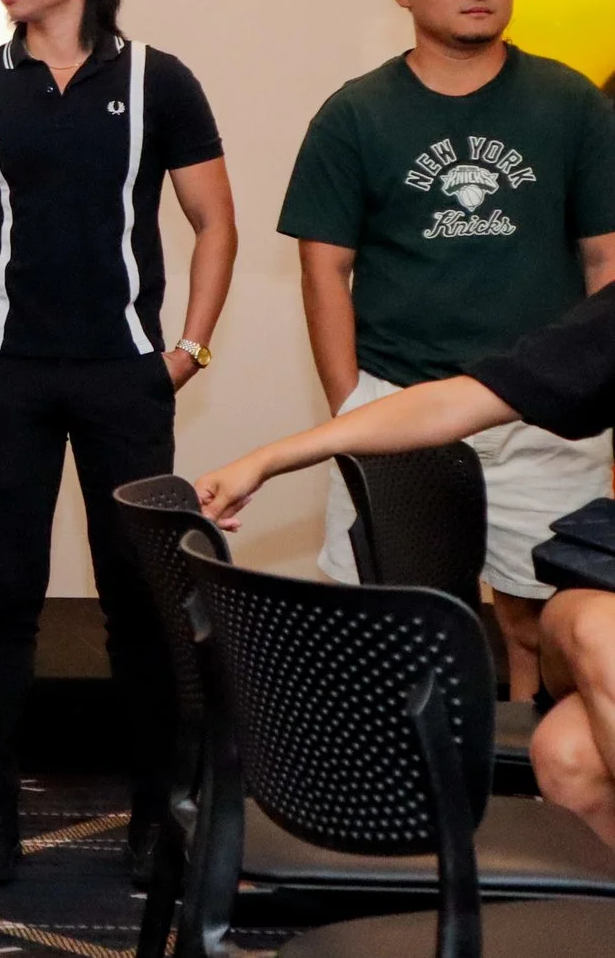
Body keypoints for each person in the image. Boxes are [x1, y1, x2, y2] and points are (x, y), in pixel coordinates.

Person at [0, 0, 236, 888]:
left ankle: (158, 814)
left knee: (138, 604)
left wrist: (186, 348)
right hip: (5, 375)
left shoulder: (157, 80)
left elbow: (214, 221)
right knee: (6, 598)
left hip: (125, 376)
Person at [278, 0, 615, 702]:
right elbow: (324, 270)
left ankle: (549, 801)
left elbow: (605, 259)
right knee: (387, 621)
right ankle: (403, 808)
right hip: (403, 406)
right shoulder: (355, 113)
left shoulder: (572, 104)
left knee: (553, 624)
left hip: (544, 414)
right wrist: (350, 404)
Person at [195, 281, 615, 849]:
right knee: (599, 633)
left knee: (570, 757)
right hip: (602, 594)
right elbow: (450, 403)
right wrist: (268, 459)